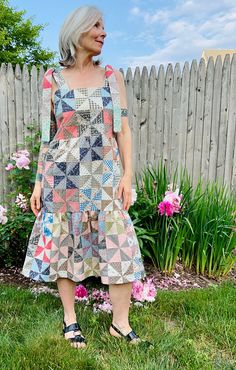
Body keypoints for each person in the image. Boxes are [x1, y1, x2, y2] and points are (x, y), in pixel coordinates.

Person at [21, 5, 146, 349]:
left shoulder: (111, 77)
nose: (103, 32)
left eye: (104, 26)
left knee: (119, 245)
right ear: (76, 31)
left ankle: (120, 323)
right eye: (96, 25)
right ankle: (70, 319)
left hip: (105, 176)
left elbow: (122, 128)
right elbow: (48, 135)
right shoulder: (52, 79)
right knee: (63, 245)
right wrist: (37, 181)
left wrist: (127, 175)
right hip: (62, 178)